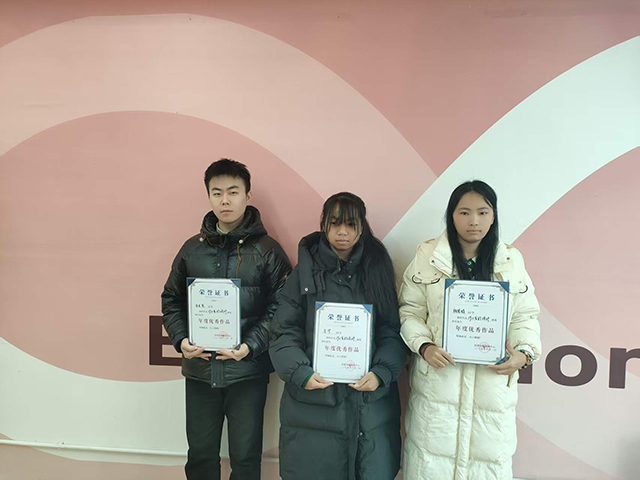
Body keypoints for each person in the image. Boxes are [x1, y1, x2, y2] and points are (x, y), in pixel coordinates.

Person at [399, 180, 541, 480]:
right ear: (451, 215)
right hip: (438, 386)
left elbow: (525, 316)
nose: (473, 220)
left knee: (485, 466)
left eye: (482, 212)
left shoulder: (510, 261)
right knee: (430, 465)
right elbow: (410, 311)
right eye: (464, 212)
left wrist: (524, 354)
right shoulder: (428, 256)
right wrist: (424, 346)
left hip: (491, 391)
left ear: (493, 216)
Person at [161, 158, 291, 480]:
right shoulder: (191, 250)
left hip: (247, 372)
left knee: (245, 459)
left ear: (248, 196)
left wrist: (250, 345)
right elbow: (171, 299)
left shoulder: (268, 251)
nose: (225, 201)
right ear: (208, 196)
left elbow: (283, 307)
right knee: (200, 456)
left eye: (233, 192)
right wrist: (181, 340)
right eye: (217, 193)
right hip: (200, 370)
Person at [269, 192, 407, 480]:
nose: (342, 232)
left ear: (362, 227)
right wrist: (300, 372)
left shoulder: (377, 269)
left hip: (368, 403)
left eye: (351, 224)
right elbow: (283, 331)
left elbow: (391, 331)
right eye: (335, 223)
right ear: (324, 225)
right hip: (314, 401)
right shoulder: (303, 273)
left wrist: (382, 372)